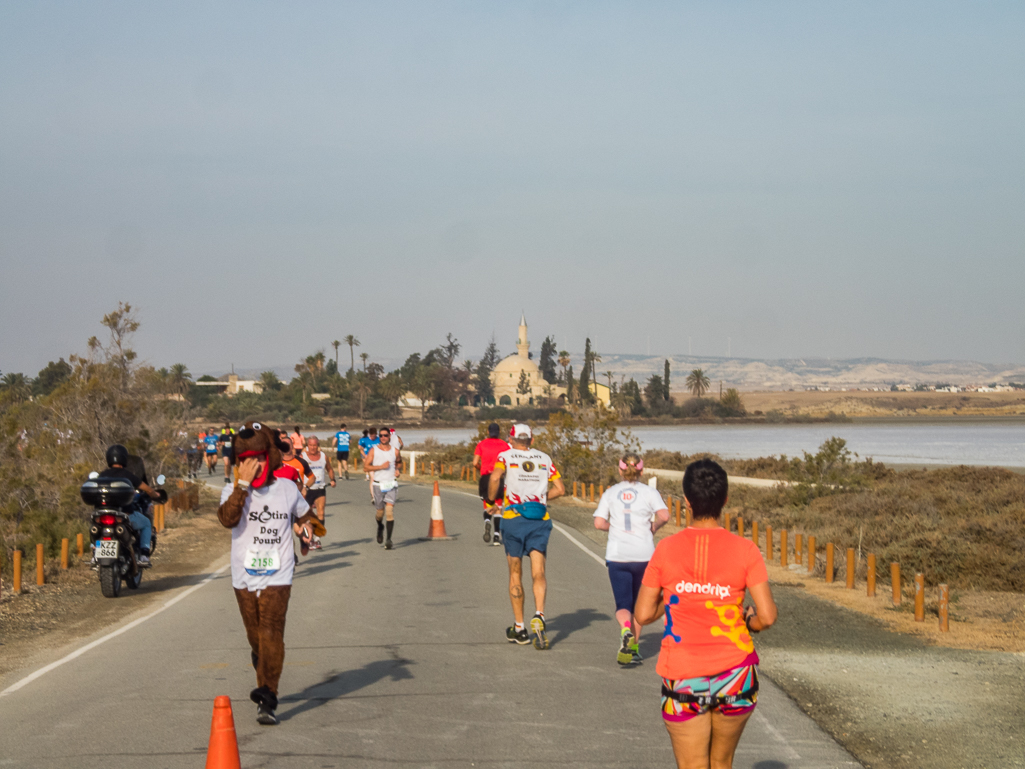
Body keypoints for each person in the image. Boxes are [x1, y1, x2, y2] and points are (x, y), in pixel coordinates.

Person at [634, 459, 777, 769]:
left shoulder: (666, 549)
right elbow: (766, 617)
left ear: (686, 501)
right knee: (722, 763)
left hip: (684, 676)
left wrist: (676, 599)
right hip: (737, 675)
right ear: (724, 500)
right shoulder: (746, 550)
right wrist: (748, 621)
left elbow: (643, 615)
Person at [218, 421, 322, 725]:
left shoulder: (287, 488)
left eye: (260, 458)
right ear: (240, 462)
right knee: (255, 637)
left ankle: (268, 696)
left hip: (279, 573)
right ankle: (262, 662)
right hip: (244, 575)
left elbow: (306, 515)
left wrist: (309, 530)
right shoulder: (232, 489)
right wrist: (242, 486)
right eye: (247, 460)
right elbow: (227, 519)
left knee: (271, 632)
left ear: (271, 455)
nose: (254, 465)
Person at [488, 424, 564, 650]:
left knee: (515, 572)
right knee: (539, 571)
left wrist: (492, 502)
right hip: (539, 519)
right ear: (531, 439)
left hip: (513, 517)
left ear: (511, 438)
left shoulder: (505, 456)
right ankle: (539, 615)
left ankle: (520, 628)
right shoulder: (545, 458)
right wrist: (540, 501)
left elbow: (494, 478)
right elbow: (560, 488)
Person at [593, 453, 670, 666]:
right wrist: (653, 527)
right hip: (644, 554)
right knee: (640, 603)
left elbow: (598, 523)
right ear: (641, 471)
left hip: (618, 555)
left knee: (622, 603)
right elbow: (665, 515)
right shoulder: (649, 492)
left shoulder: (611, 493)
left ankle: (625, 629)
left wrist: (614, 527)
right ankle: (633, 647)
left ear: (619, 470)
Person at [98, 444, 162, 566]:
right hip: (124, 515)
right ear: (124, 458)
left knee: (96, 528)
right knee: (147, 524)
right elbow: (147, 489)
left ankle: (95, 551)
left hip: (103, 515)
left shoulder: (102, 475)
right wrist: (155, 495)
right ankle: (144, 555)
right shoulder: (127, 475)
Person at [364, 427, 402, 550]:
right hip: (378, 484)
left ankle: (389, 540)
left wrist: (397, 470)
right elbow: (366, 468)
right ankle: (380, 526)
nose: (383, 437)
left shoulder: (395, 451)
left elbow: (399, 462)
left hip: (391, 484)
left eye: (385, 435)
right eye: (381, 435)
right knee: (380, 513)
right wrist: (380, 467)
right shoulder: (373, 451)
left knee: (390, 512)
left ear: (389, 437)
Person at [473, 422, 510, 546]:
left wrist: (481, 468)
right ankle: (496, 537)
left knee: (488, 506)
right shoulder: (505, 445)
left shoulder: (481, 444)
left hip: (485, 478)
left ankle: (487, 520)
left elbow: (474, 463)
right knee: (498, 508)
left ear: (488, 432)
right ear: (499, 432)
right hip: (499, 477)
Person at [302, 436, 335, 550]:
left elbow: (329, 469)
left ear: (318, 445)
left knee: (321, 513)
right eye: (310, 445)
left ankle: (317, 539)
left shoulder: (323, 456)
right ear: (307, 445)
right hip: (307, 489)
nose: (312, 447)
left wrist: (332, 479)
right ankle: (309, 538)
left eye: (314, 445)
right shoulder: (303, 456)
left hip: (320, 488)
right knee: (308, 516)